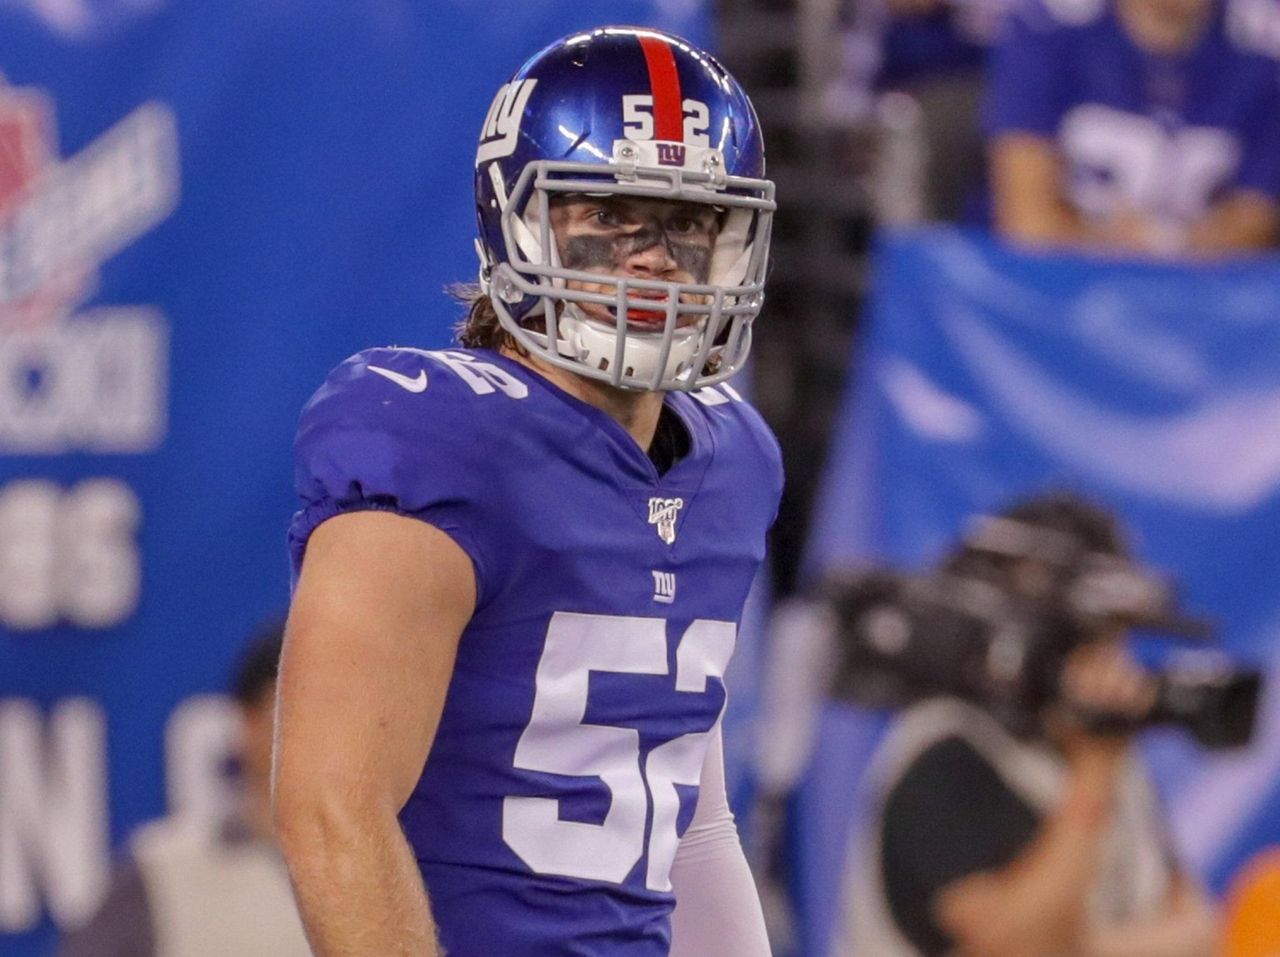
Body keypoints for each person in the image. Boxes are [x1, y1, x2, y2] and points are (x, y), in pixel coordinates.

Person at [272, 25, 781, 957]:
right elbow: (331, 810)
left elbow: (693, 827)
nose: (653, 258)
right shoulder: (434, 433)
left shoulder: (732, 458)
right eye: (611, 214)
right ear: (518, 219)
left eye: (689, 221)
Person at [836, 494, 1220, 957]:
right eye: (1094, 639)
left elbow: (1199, 932)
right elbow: (1018, 945)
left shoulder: (1110, 755)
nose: (1115, 663)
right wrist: (1091, 781)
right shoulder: (946, 755)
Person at [57, 621, 310, 957]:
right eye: (301, 706)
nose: (325, 731)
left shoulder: (392, 863)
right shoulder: (162, 871)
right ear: (245, 722)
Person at [985, 0, 1280, 255]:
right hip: (1059, 291)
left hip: (1194, 300)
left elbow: (1253, 227)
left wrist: (1161, 244)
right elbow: (1027, 222)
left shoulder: (1263, 42)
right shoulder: (1049, 26)